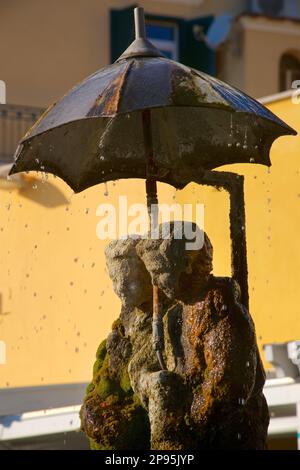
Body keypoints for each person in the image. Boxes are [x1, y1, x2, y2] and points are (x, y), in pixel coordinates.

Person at [81, 222, 269, 450]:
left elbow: (227, 384)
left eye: (159, 272)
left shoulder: (219, 310)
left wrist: (187, 422)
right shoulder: (175, 315)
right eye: (152, 275)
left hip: (224, 435)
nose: (156, 283)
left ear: (187, 265)